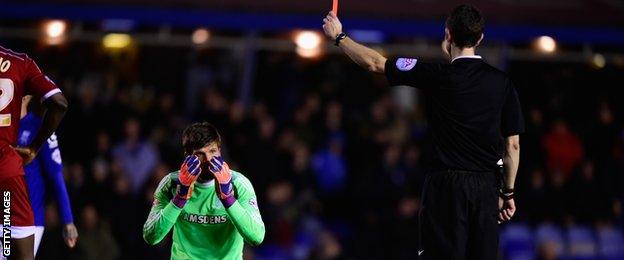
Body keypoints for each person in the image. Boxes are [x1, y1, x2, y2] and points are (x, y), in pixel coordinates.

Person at [323, 4, 524, 259]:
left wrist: (339, 38)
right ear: (480, 38)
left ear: (448, 34)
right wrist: (507, 192)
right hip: (486, 187)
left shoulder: (435, 74)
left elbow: (375, 63)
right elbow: (512, 146)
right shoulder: (502, 82)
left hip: (445, 188)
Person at [143, 122, 265, 259]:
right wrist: (179, 198)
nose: (208, 160)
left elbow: (257, 237)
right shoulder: (171, 183)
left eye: (212, 151)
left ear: (220, 150)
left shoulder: (238, 184)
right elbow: (151, 237)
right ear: (187, 156)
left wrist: (228, 198)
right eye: (200, 154)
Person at [0, 45, 69, 260]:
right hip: (8, 182)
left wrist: (67, 219)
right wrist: (34, 148)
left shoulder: (32, 125)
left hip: (13, 202)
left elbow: (56, 174)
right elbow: (60, 103)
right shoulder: (20, 63)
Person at [17, 95, 78, 256]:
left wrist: (67, 220)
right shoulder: (4, 129)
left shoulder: (40, 128)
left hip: (28, 220)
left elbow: (56, 176)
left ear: (26, 97)